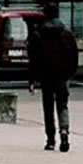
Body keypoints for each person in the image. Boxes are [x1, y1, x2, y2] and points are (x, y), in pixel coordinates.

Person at [31, 18, 78, 152]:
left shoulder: (39, 35)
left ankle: (50, 140)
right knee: (62, 105)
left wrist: (33, 79)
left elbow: (34, 58)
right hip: (62, 76)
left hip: (46, 77)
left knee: (48, 108)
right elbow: (74, 55)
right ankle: (64, 131)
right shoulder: (66, 34)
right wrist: (70, 72)